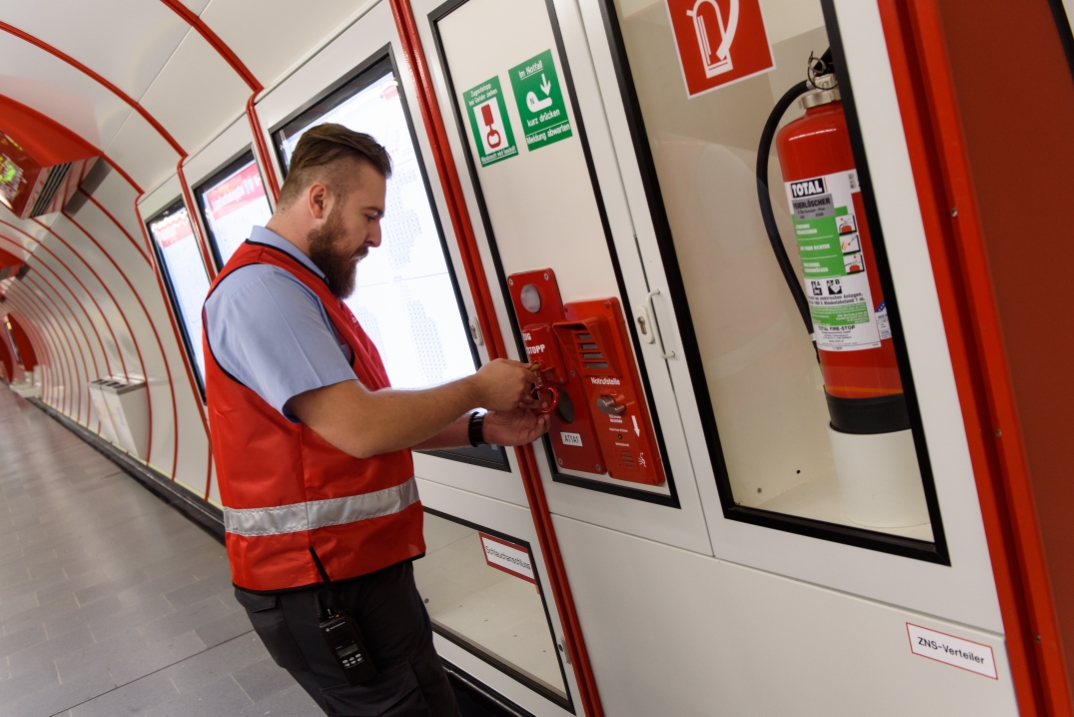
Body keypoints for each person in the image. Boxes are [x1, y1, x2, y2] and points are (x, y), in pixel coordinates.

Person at [202, 123, 550, 716]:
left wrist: (480, 427)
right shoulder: (261, 292)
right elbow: (362, 428)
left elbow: (364, 422)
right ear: (319, 200)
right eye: (369, 215)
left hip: (358, 574)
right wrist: (476, 385)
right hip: (320, 588)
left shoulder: (302, 290)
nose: (377, 237)